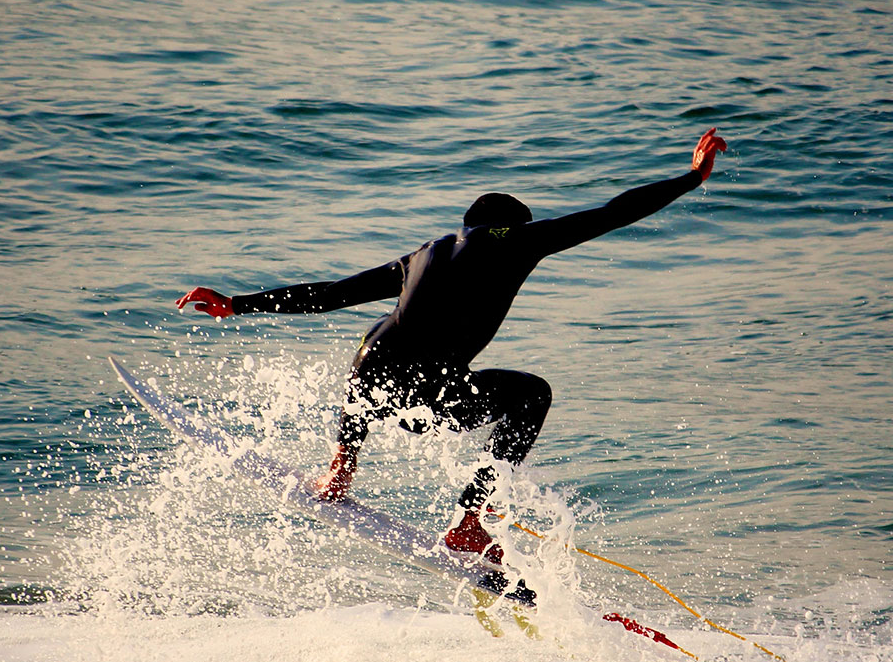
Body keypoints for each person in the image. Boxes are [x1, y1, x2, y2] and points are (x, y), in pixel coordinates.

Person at [176, 128, 727, 583]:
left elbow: (331, 292)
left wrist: (237, 304)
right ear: (515, 225)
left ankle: (342, 465)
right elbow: (613, 212)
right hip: (433, 396)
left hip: (376, 389)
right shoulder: (518, 240)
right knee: (531, 394)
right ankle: (470, 520)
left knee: (378, 334)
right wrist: (692, 177)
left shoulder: (420, 255)